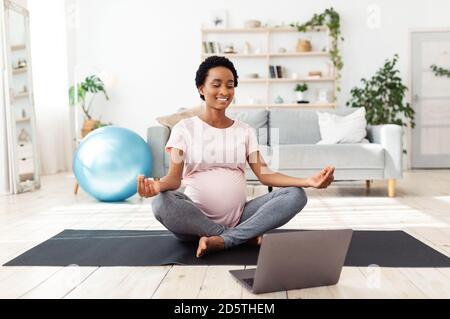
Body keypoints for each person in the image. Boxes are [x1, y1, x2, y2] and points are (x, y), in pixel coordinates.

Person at [138, 56, 334, 258]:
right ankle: (237, 237)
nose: (224, 91)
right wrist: (157, 186)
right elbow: (174, 179)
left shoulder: (245, 131)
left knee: (296, 195)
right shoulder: (184, 129)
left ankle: (225, 240)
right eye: (216, 84)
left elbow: (265, 175)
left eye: (230, 85)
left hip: (241, 217)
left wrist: (308, 181)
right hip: (194, 223)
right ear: (201, 89)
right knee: (161, 203)